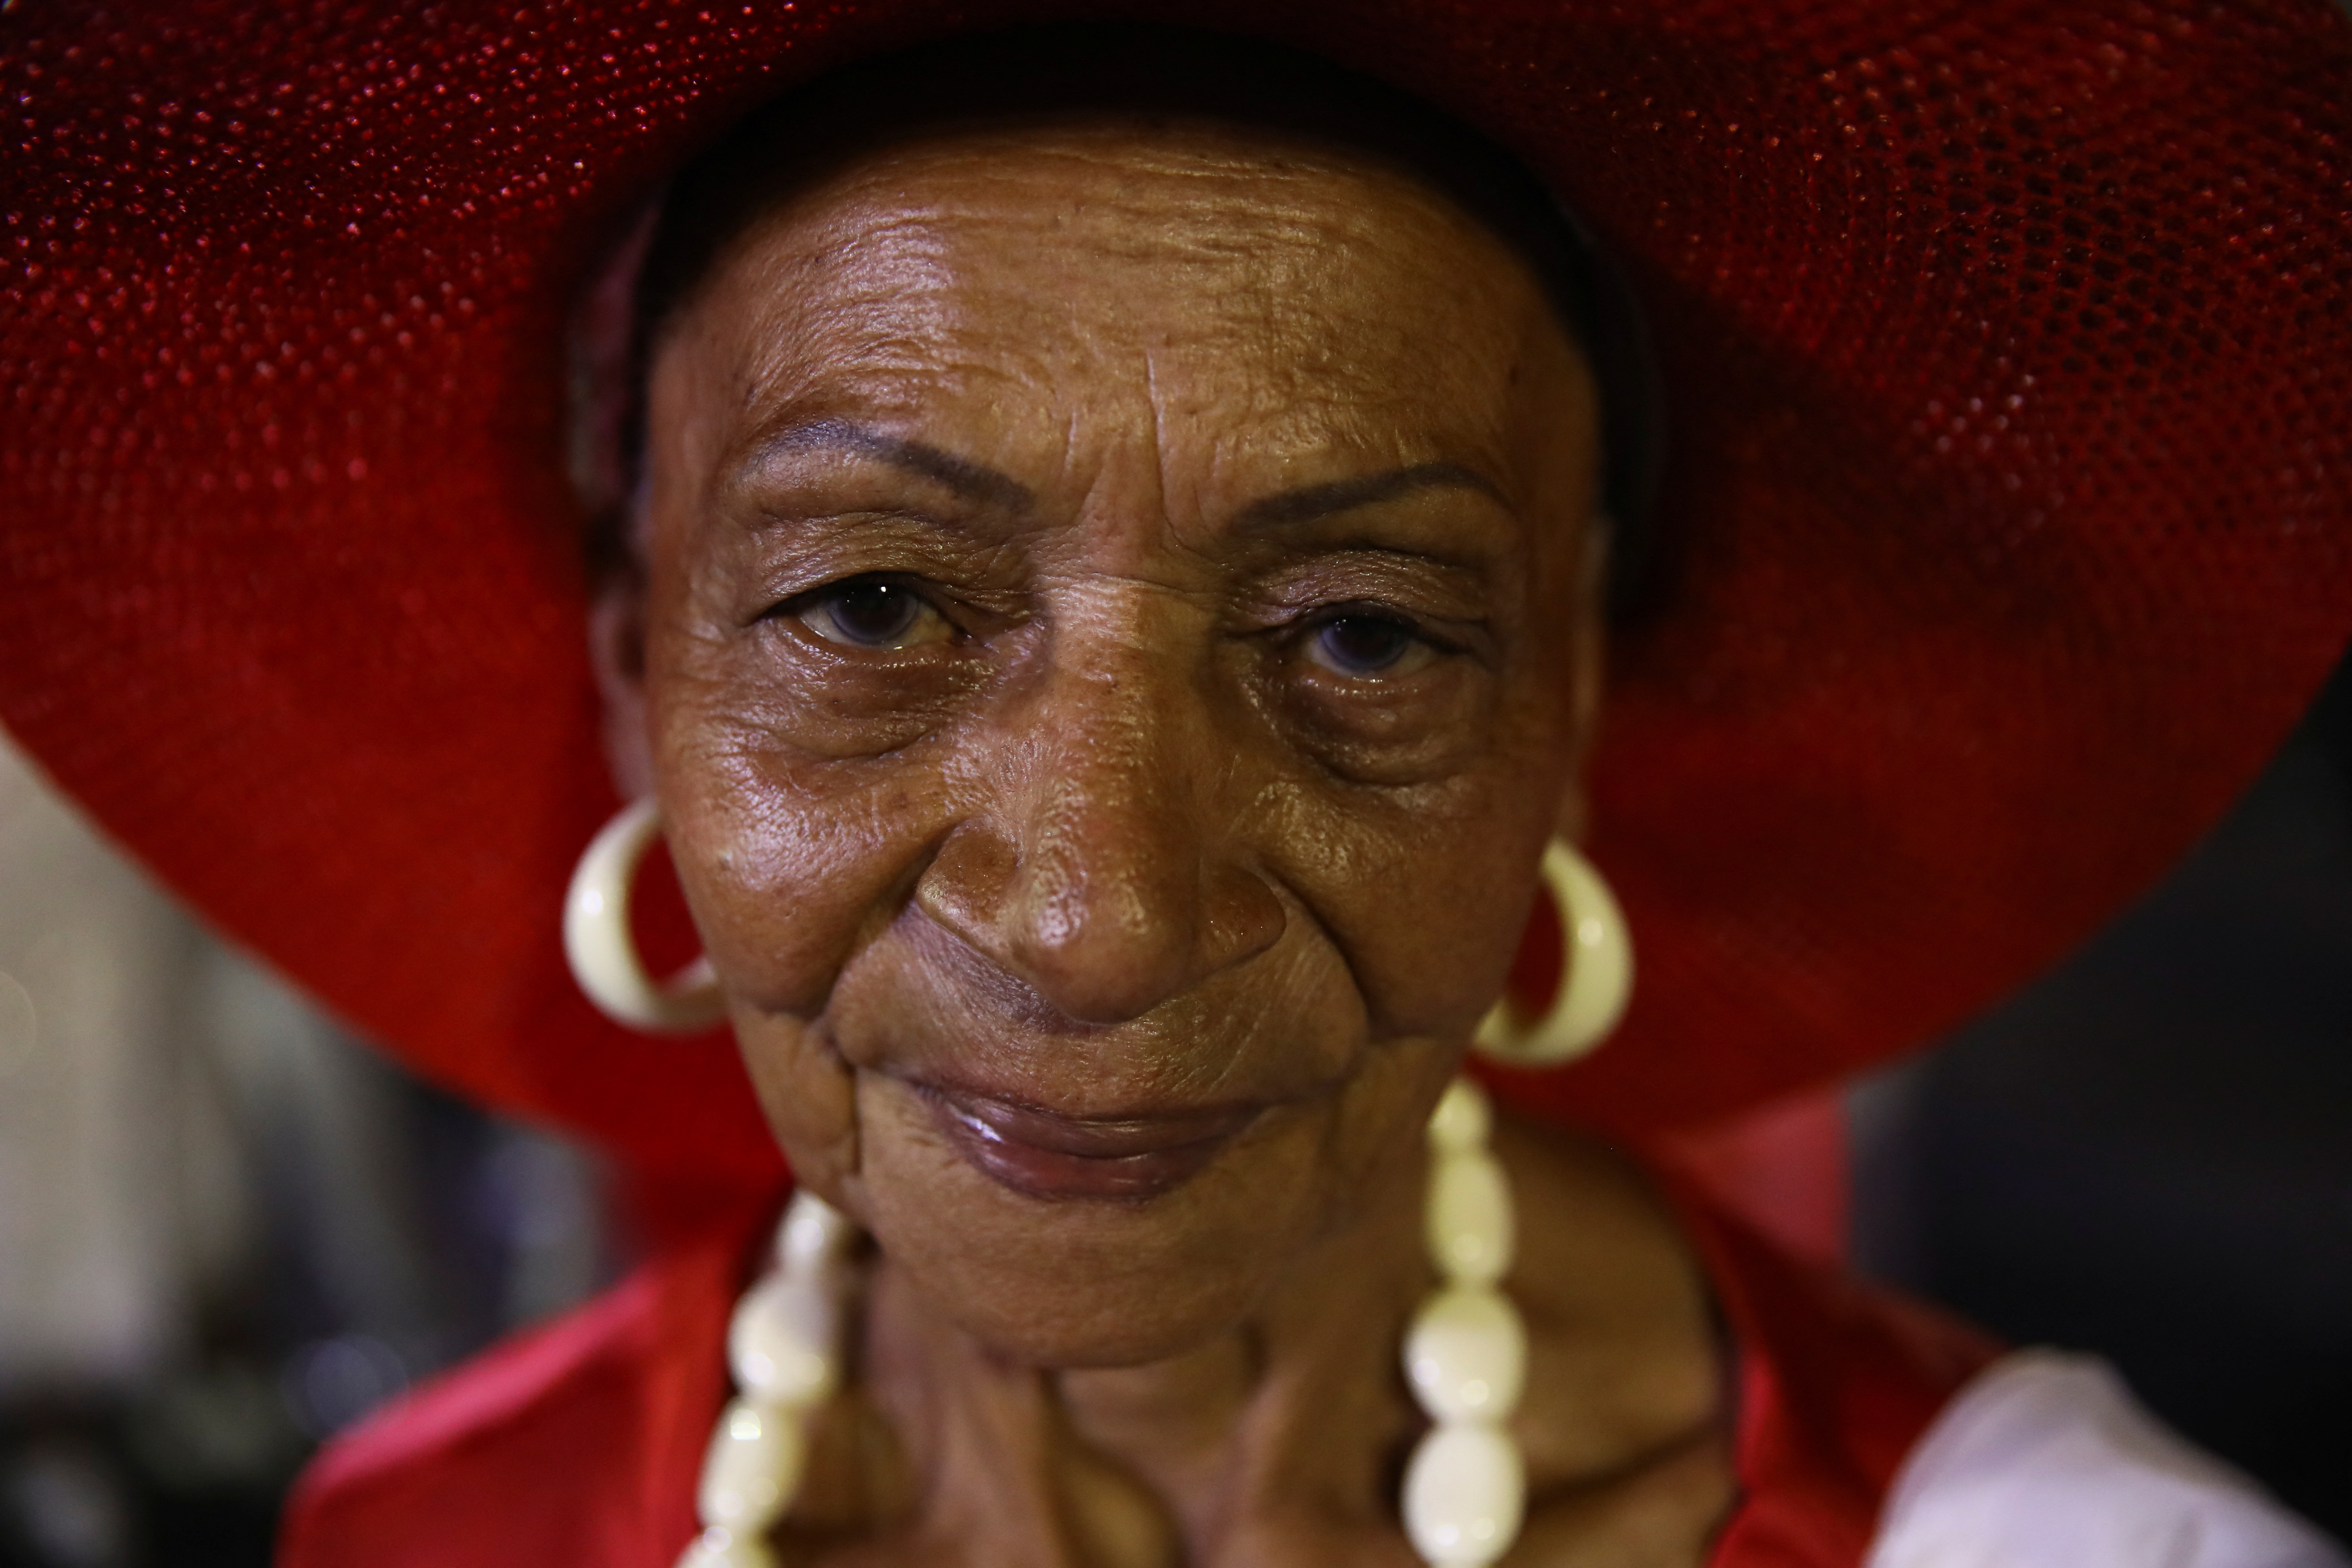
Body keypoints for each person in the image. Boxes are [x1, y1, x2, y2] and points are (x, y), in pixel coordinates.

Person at [3, 6, 2349, 1566]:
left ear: (1567, 698)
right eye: (873, 606)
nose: (1103, 921)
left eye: (1361, 635)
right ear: (639, 676)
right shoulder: (433, 1538)